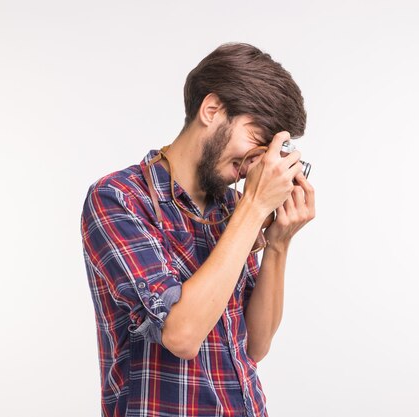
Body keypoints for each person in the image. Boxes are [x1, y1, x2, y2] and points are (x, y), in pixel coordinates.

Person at [80, 42, 315, 417]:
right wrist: (253, 208)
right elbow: (182, 335)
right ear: (211, 110)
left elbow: (255, 345)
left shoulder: (232, 208)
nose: (257, 163)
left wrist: (277, 244)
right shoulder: (119, 198)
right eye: (257, 140)